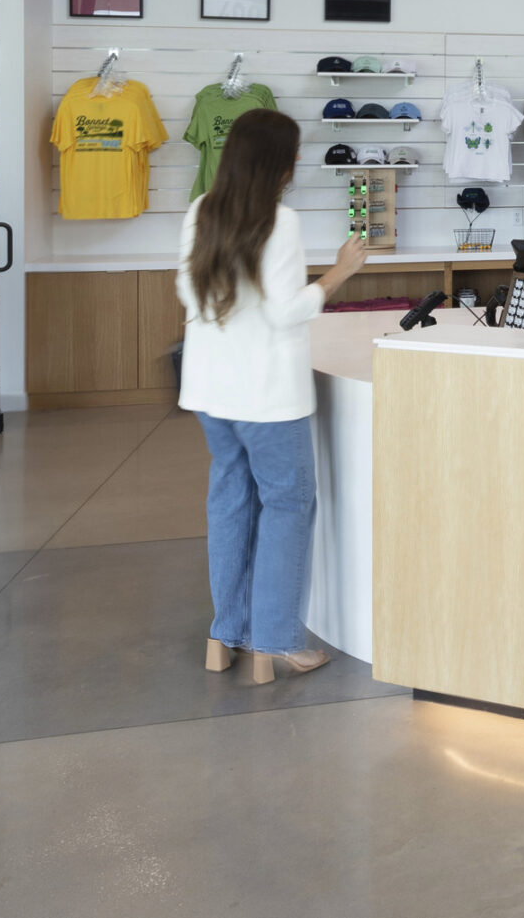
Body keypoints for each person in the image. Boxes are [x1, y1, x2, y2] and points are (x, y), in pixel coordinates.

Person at [177, 110, 367, 681]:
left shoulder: (199, 211)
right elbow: (286, 312)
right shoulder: (279, 222)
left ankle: (223, 636)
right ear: (279, 163)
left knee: (230, 502)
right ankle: (275, 643)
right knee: (287, 506)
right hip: (267, 397)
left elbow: (191, 295)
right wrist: (340, 273)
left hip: (212, 391)